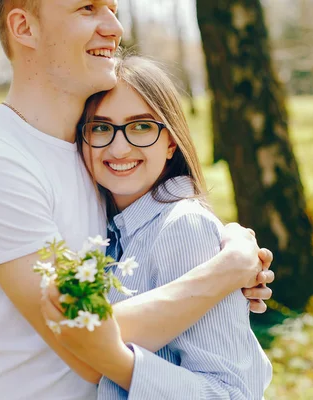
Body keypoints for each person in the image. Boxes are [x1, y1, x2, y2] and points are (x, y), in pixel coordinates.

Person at [0, 1, 274, 399]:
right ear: (25, 27)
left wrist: (225, 244)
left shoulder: (92, 157)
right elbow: (87, 349)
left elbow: (157, 238)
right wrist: (228, 269)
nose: (114, 27)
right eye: (88, 8)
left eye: (112, 8)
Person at [41, 56, 272, 399]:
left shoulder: (183, 227)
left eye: (141, 126)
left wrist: (124, 366)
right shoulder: (106, 229)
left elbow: (232, 392)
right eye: (101, 128)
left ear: (170, 142)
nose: (119, 147)